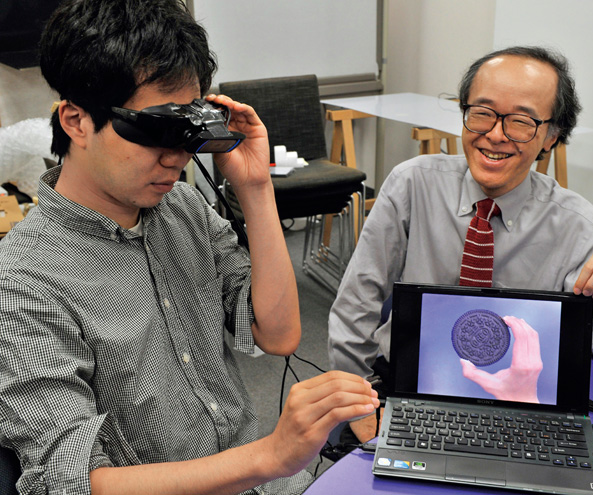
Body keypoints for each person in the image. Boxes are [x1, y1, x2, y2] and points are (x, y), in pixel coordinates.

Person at [0, 1, 379, 494]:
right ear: (76, 121)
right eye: (154, 131)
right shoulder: (22, 281)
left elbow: (278, 334)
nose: (177, 160)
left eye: (188, 132)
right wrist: (269, 456)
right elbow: (72, 483)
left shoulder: (183, 209)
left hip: (262, 480)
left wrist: (256, 188)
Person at [328, 45, 593, 443]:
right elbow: (357, 302)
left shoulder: (580, 227)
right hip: (402, 385)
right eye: (482, 113)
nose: (495, 134)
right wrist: (359, 400)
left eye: (522, 121)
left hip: (524, 401)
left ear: (551, 135)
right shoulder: (412, 184)